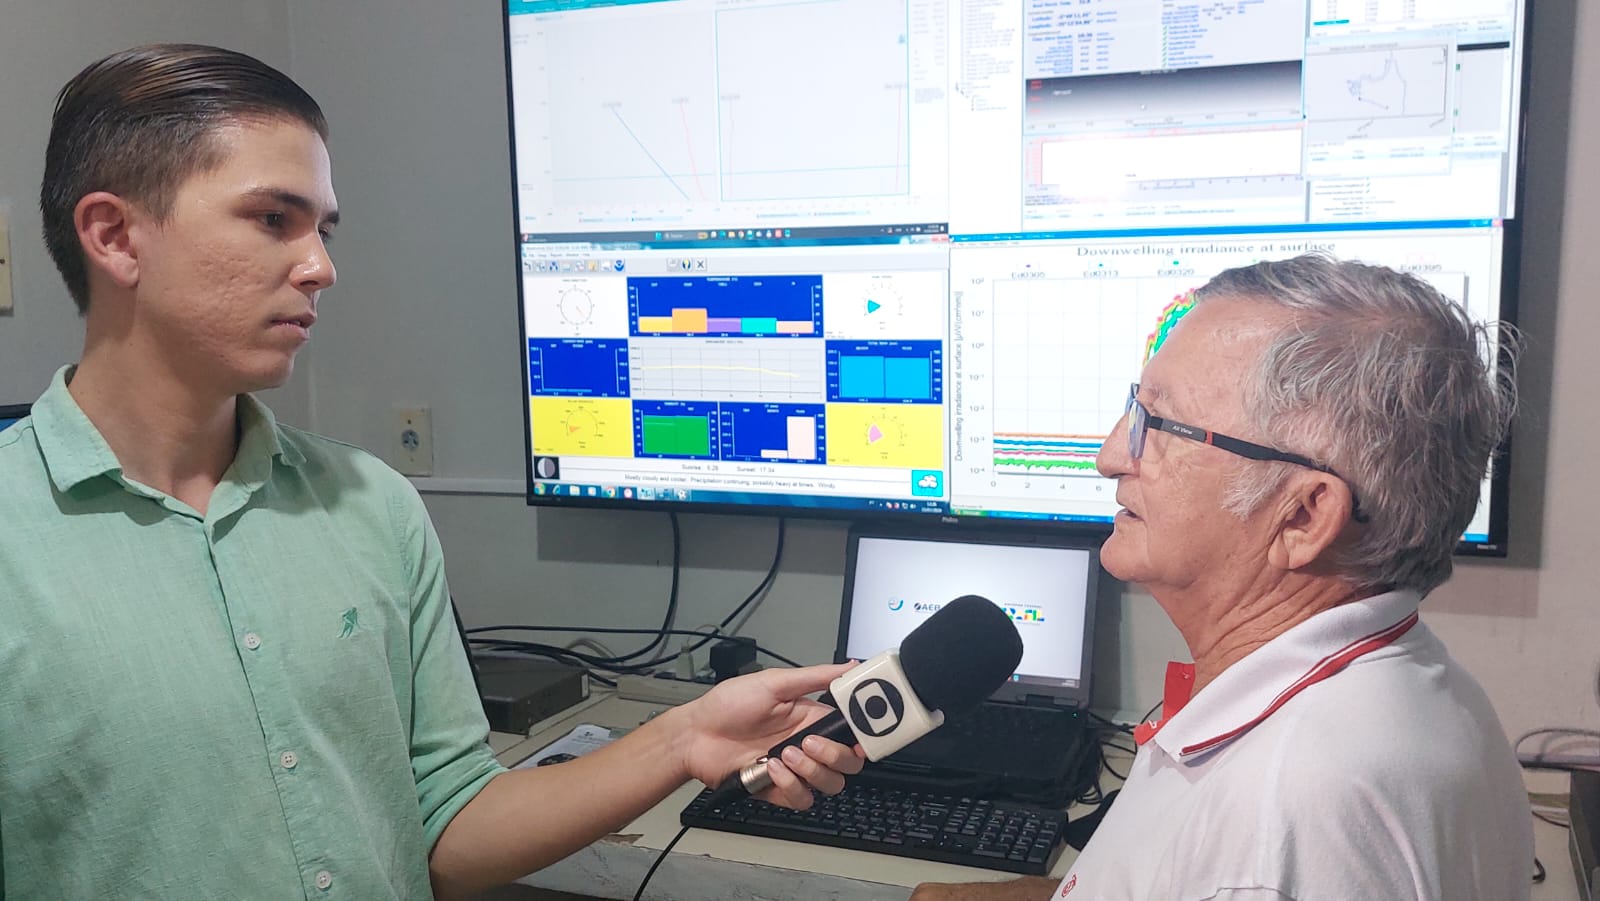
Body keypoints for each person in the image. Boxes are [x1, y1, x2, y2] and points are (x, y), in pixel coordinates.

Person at [0, 44, 863, 900]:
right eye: (273, 219)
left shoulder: (371, 506)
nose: (321, 267)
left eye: (323, 230)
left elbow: (450, 826)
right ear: (115, 236)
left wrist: (681, 739)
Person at [912, 255, 1532, 900]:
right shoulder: (1418, 684)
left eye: (1161, 425)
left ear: (1302, 515)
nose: (1110, 457)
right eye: (1134, 408)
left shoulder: (1279, 824)